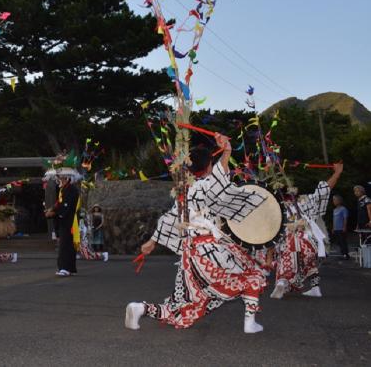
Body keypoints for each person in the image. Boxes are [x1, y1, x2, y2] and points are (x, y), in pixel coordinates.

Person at [125, 134, 269, 334]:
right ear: (209, 166)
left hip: (190, 255)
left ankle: (140, 308)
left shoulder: (185, 191)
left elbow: (169, 218)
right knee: (253, 276)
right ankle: (249, 322)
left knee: (185, 303)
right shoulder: (209, 185)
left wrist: (152, 241)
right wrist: (226, 150)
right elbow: (220, 176)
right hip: (211, 251)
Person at [270, 163, 343, 299]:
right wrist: (337, 173)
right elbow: (325, 190)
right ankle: (316, 288)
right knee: (309, 263)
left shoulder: (281, 207)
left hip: (290, 241)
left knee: (286, 264)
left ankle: (281, 283)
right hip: (308, 241)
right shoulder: (307, 201)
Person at [44, 169, 79, 277]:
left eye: (60, 177)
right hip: (65, 220)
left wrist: (53, 213)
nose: (58, 179)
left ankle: (65, 268)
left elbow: (65, 206)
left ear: (67, 177)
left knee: (66, 244)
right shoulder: (64, 189)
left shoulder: (71, 189)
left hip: (69, 220)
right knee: (67, 244)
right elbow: (59, 203)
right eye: (58, 177)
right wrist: (51, 209)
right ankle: (70, 268)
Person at [331, 195, 350, 259]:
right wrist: (333, 228)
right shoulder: (335, 210)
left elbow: (345, 218)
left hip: (341, 228)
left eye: (335, 200)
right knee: (338, 242)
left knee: (343, 241)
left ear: (339, 201)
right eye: (333, 200)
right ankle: (343, 253)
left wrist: (344, 227)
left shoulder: (343, 209)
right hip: (336, 228)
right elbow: (334, 219)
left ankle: (346, 254)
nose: (333, 201)